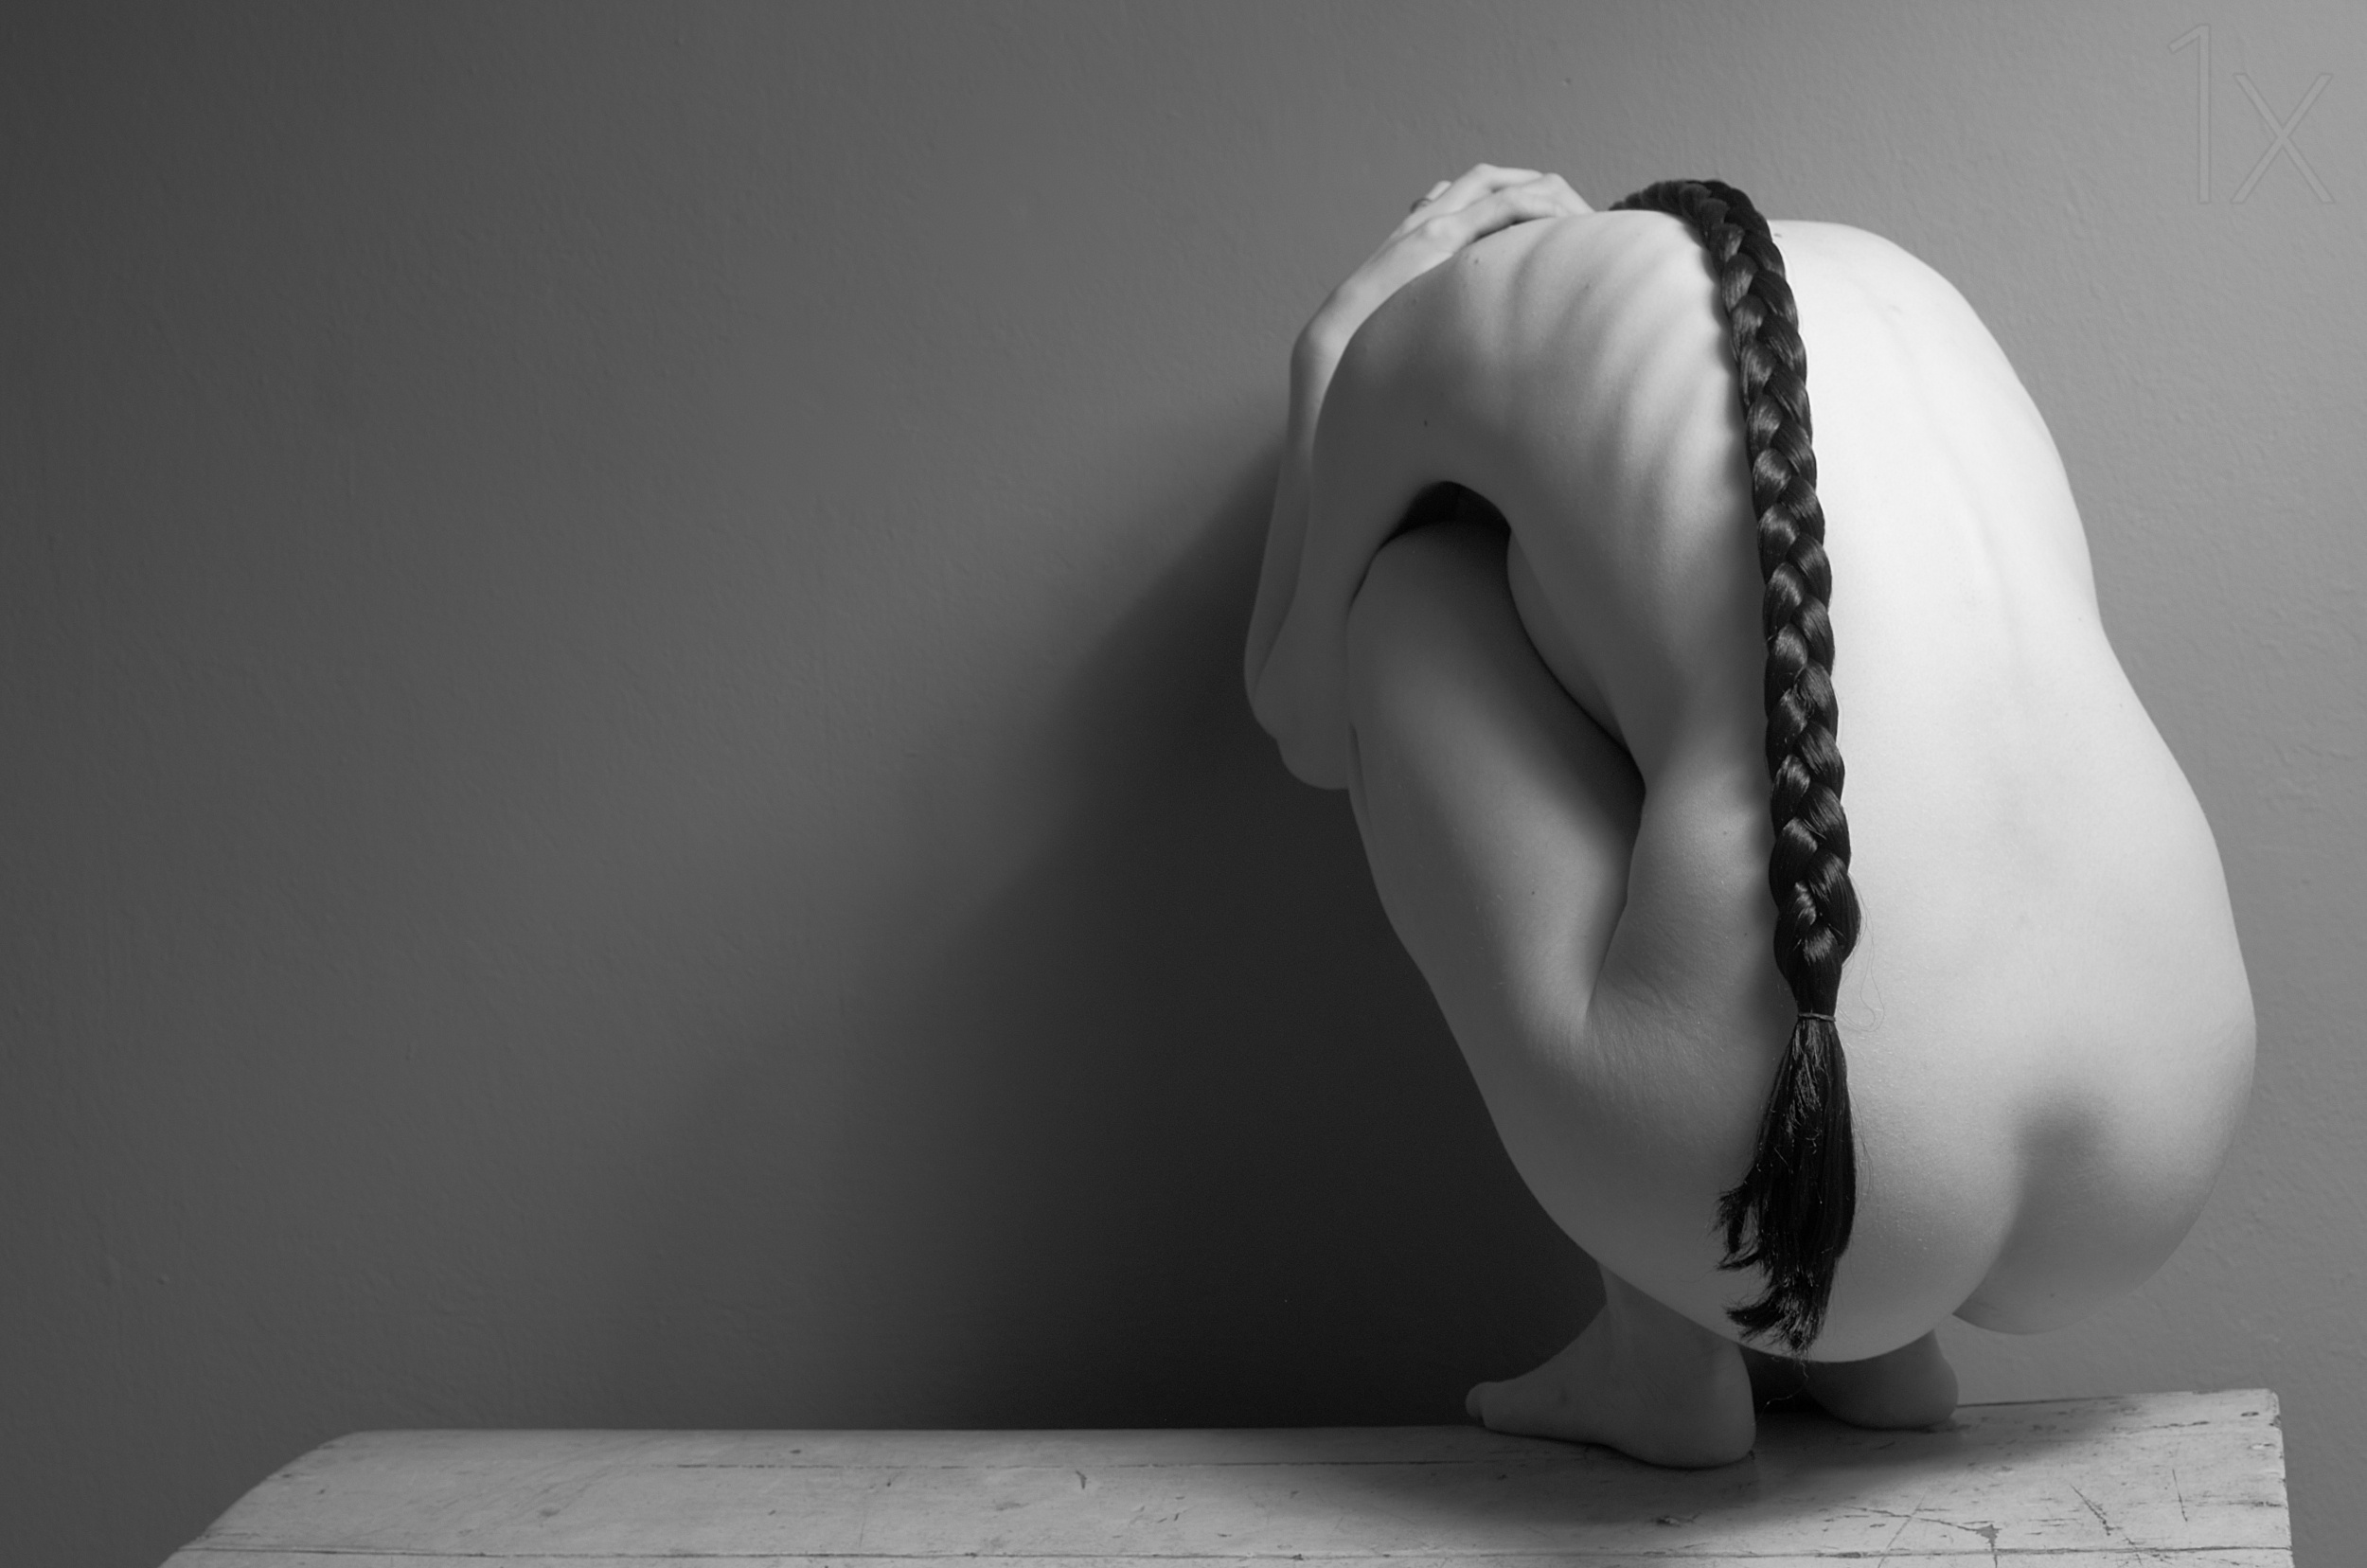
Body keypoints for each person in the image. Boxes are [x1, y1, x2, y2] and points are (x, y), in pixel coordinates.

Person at [1244, 166, 2254, 1467]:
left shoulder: (1438, 318)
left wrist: (1333, 343)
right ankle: (1879, 1354)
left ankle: (1665, 1361)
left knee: (1408, 598)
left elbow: (1304, 712)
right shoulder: (1899, 281)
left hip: (1788, 1217)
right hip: (2163, 1126)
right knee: (1742, 694)